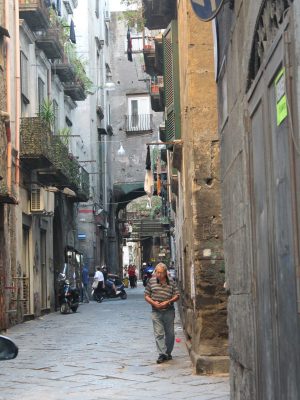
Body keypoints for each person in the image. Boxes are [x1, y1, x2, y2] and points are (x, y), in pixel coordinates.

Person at [144, 262, 180, 364]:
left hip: (168, 310)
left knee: (170, 334)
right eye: (157, 272)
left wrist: (168, 301)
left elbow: (177, 295)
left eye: (160, 272)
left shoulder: (171, 282)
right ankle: (162, 354)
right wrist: (154, 303)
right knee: (159, 333)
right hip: (156, 311)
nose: (158, 274)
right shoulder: (151, 281)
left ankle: (168, 353)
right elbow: (146, 295)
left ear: (165, 273)